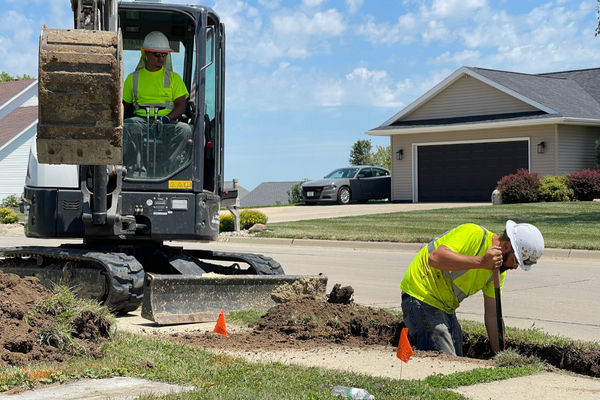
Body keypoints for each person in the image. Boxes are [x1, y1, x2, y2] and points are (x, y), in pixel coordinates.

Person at [400, 220, 544, 356]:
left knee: (458, 362)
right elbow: (435, 258)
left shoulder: (497, 271)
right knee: (448, 364)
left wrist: (501, 356)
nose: (515, 267)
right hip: (420, 296)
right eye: (516, 261)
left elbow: (493, 316)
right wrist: (481, 261)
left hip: (445, 308)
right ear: (506, 247)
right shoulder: (473, 233)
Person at [122, 31, 192, 177]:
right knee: (129, 125)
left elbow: (181, 106)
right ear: (146, 53)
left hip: (166, 122)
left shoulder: (173, 78)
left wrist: (167, 119)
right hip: (140, 122)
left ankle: (166, 168)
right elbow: (124, 106)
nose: (161, 58)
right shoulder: (132, 78)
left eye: (164, 55)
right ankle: (137, 169)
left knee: (185, 130)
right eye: (157, 54)